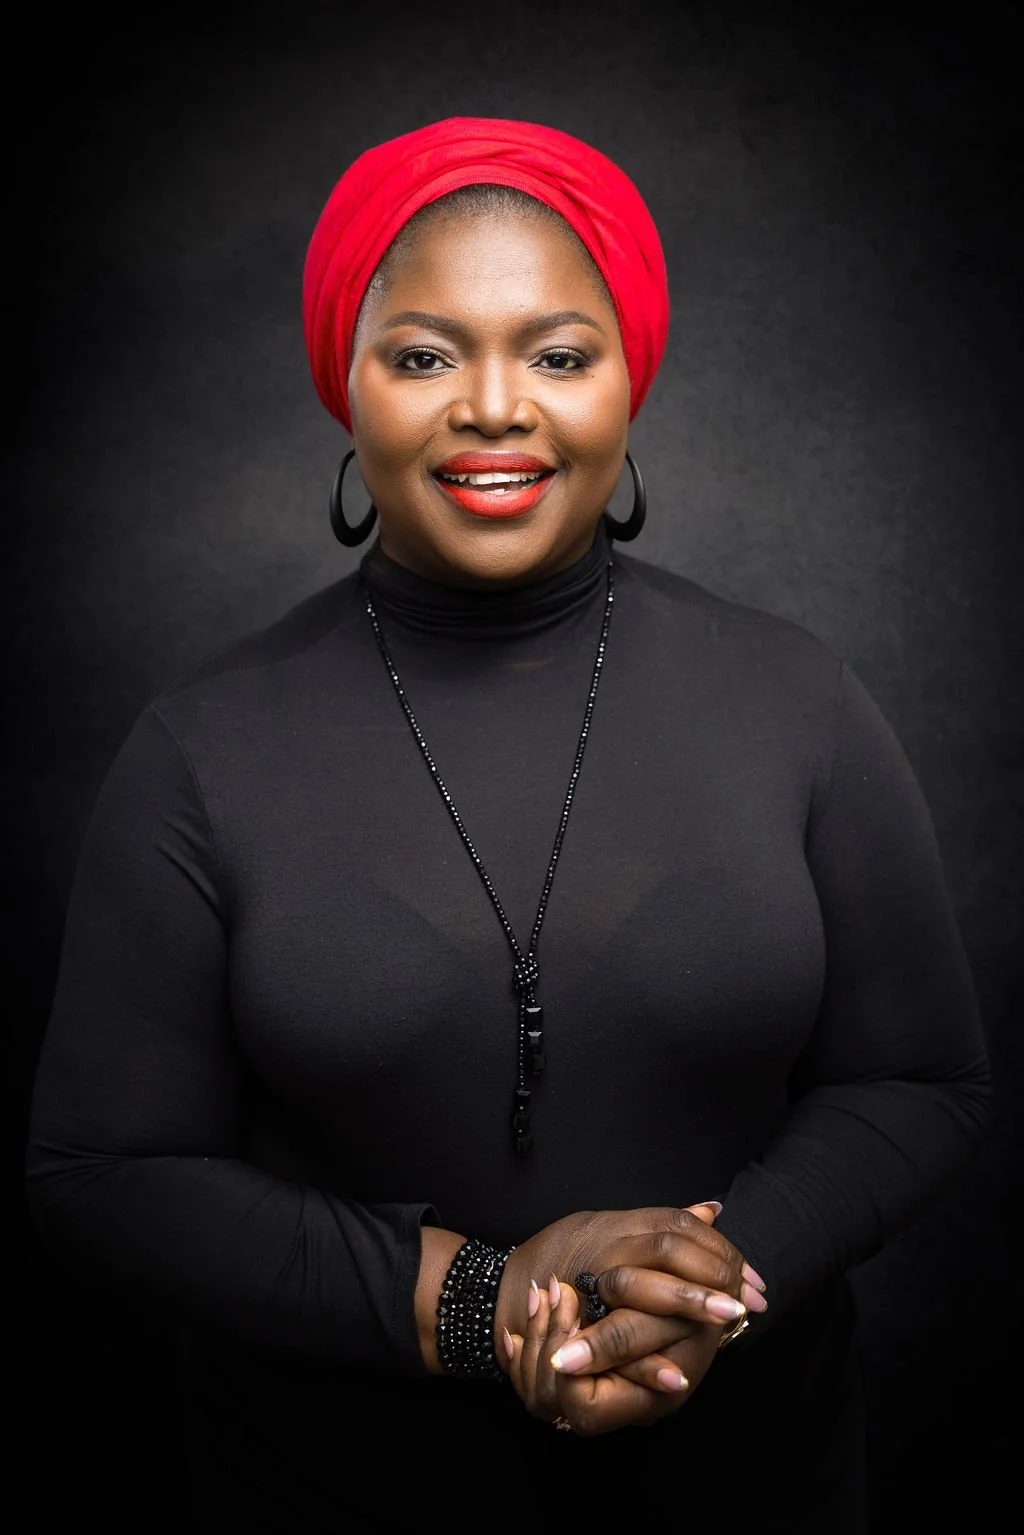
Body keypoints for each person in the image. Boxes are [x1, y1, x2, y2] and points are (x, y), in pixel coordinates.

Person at [26, 116, 990, 1532]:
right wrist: (486, 1303)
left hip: (757, 1486)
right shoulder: (201, 747)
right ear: (344, 383)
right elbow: (104, 1170)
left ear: (628, 379)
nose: (493, 405)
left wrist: (708, 1289)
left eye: (558, 352)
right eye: (424, 354)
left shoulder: (801, 698)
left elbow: (923, 1083)